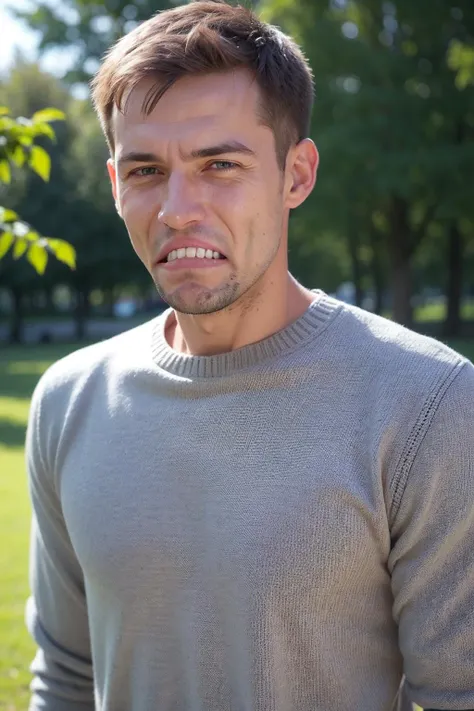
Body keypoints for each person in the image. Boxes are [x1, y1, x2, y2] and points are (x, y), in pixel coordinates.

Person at [24, 2, 474, 710]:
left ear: (296, 175)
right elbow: (67, 678)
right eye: (146, 169)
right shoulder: (67, 402)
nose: (178, 207)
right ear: (116, 187)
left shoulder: (426, 402)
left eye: (219, 164)